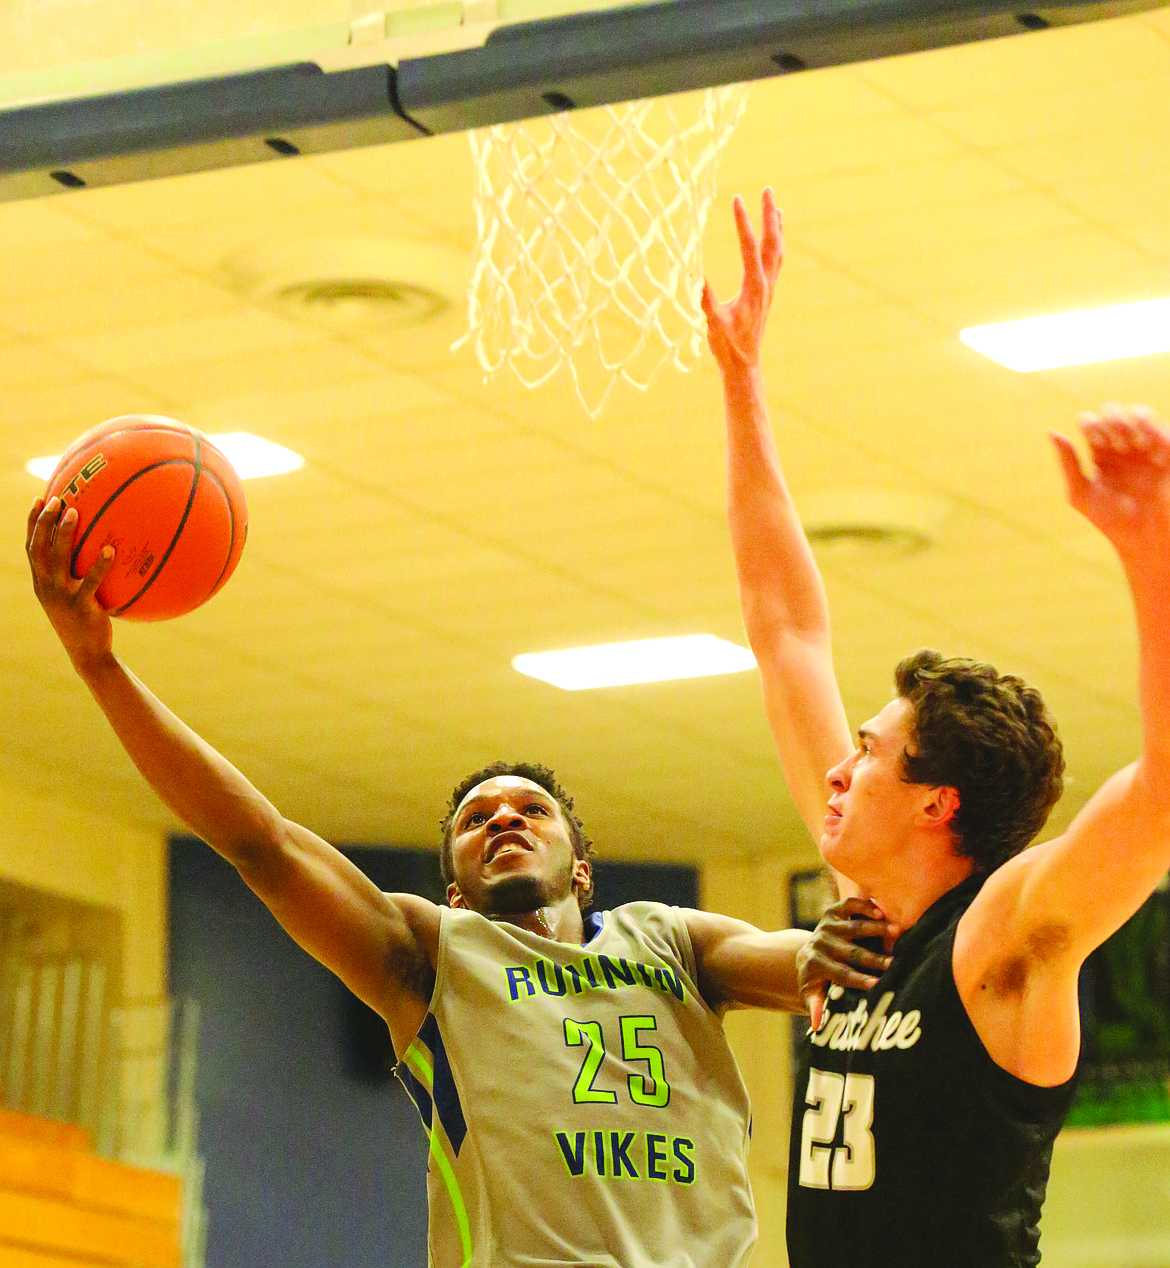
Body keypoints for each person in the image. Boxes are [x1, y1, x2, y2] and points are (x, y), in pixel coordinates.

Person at [26, 501, 887, 1268]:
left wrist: (830, 949)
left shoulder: (671, 940)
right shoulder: (432, 954)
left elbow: (798, 959)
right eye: (477, 821)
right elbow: (262, 845)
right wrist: (100, 667)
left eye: (531, 810)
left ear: (582, 870)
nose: (504, 820)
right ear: (456, 893)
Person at [702, 186, 1170, 1267]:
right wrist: (741, 385)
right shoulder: (857, 920)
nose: (835, 770)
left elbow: (1159, 789)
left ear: (935, 799)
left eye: (865, 752)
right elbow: (786, 634)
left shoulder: (1003, 934)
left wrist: (1149, 551)